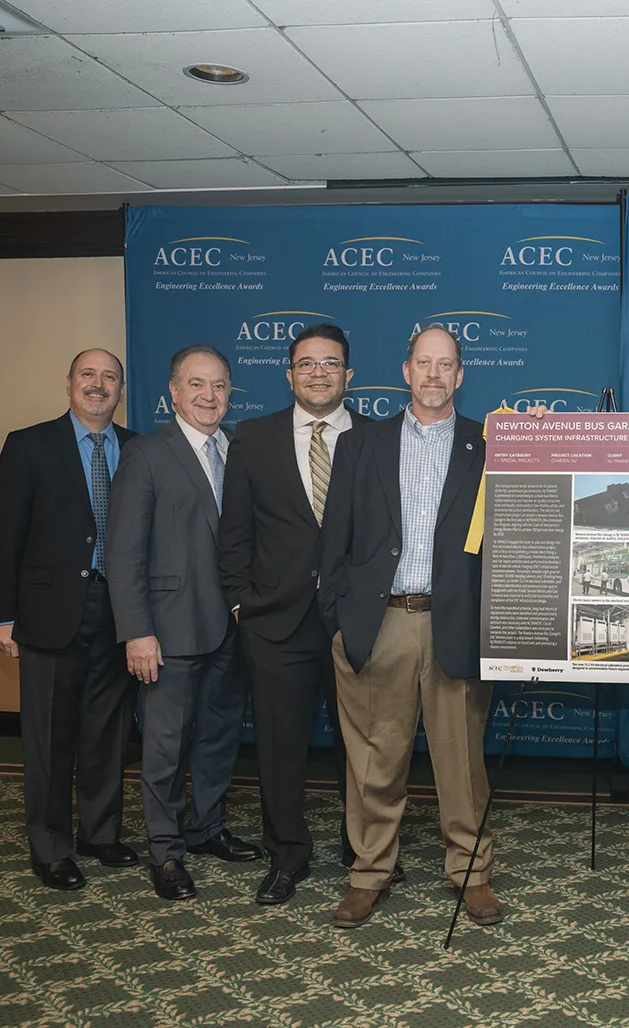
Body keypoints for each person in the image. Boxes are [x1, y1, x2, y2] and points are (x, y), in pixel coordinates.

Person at [319, 326, 499, 930]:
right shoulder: (360, 444)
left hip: (455, 626)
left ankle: (471, 872)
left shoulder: (488, 446)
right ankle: (369, 874)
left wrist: (536, 433)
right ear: (405, 370)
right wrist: (341, 623)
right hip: (380, 622)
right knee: (374, 760)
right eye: (424, 363)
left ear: (460, 375)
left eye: (445, 365)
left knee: (461, 762)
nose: (433, 375)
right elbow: (333, 545)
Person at [219, 323, 384, 905]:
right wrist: (240, 601)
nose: (319, 372)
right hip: (273, 622)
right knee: (279, 747)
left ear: (349, 375)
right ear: (289, 374)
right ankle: (286, 855)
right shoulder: (253, 437)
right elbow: (234, 532)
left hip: (353, 621)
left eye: (331, 363)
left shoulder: (376, 438)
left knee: (362, 747)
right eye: (307, 363)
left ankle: (364, 850)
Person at [0, 350, 140, 890]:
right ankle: (50, 844)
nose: (98, 386)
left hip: (119, 612)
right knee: (49, 736)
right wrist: (2, 615)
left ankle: (100, 833)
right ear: (70, 384)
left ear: (121, 389)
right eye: (88, 376)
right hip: (48, 613)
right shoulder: (29, 445)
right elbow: (5, 535)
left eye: (110, 378)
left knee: (109, 731)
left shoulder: (137, 448)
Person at [108, 345, 260, 900]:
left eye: (219, 385)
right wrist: (136, 631)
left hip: (232, 626)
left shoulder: (238, 449)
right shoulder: (147, 454)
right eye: (196, 384)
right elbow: (123, 554)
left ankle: (206, 827)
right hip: (168, 631)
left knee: (219, 738)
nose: (208, 396)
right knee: (166, 747)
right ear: (173, 392)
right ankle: (166, 852)